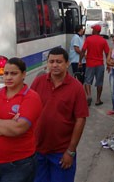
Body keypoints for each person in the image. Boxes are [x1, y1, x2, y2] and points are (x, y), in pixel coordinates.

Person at [0, 57, 42, 182]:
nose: (9, 77)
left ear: (23, 74)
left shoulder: (31, 97)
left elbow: (18, 129)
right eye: (6, 73)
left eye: (14, 73)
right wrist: (7, 128)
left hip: (18, 164)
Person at [31, 47, 89, 182]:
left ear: (67, 63)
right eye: (51, 62)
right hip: (37, 150)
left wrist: (71, 151)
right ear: (47, 63)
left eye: (59, 61)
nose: (55, 65)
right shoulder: (38, 82)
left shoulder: (76, 87)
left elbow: (80, 119)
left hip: (61, 152)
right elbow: (28, 109)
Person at [80, 24, 110, 106]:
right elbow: (107, 53)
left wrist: (80, 61)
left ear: (96, 31)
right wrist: (108, 64)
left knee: (87, 81)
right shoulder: (103, 40)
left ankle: (89, 95)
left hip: (90, 64)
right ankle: (98, 100)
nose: (92, 30)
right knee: (99, 82)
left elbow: (83, 50)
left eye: (93, 29)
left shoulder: (88, 39)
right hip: (100, 64)